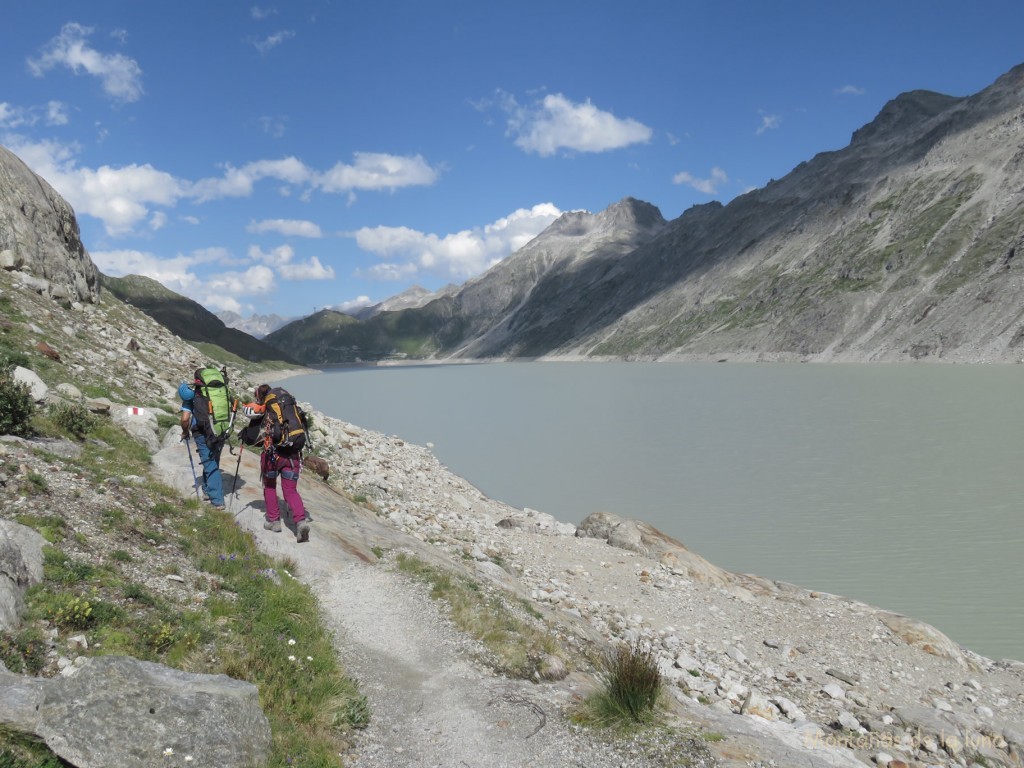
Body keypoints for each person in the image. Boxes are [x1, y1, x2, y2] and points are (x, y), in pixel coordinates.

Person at [245, 383, 310, 542]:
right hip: (292, 455)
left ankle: (274, 521)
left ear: (260, 397)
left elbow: (251, 438)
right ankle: (300, 521)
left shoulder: (266, 409)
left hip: (273, 456)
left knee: (270, 486)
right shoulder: (289, 407)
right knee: (290, 490)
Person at [178, 381, 226, 510]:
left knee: (209, 463)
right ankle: (207, 490)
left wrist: (185, 432)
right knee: (213, 460)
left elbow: (184, 419)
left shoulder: (190, 399)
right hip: (220, 431)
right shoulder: (216, 396)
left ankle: (217, 500)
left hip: (202, 433)